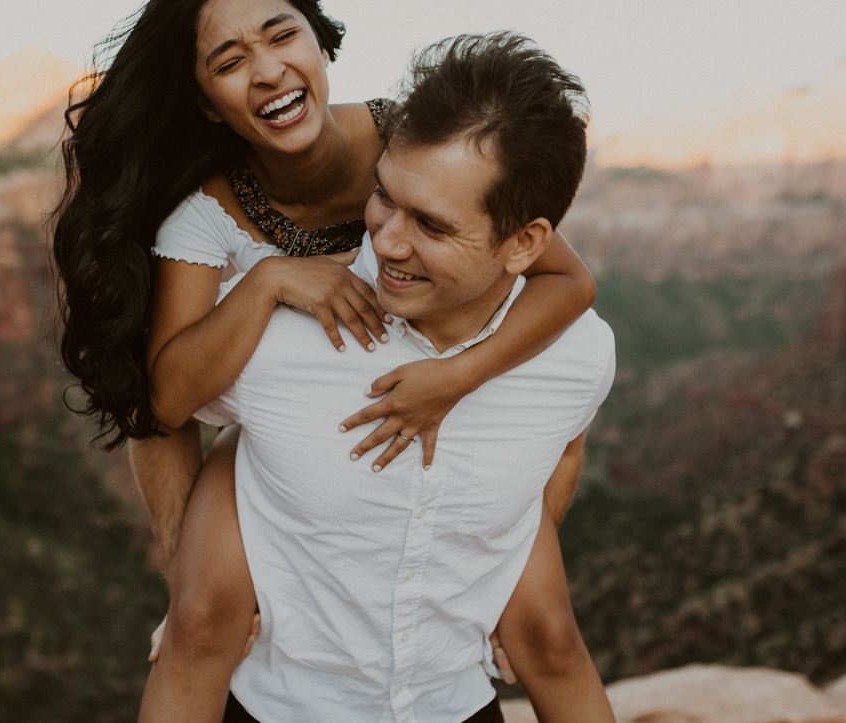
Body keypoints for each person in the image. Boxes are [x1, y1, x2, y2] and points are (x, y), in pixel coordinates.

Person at [52, 0, 597, 716]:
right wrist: (267, 282)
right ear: (207, 105)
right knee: (202, 619)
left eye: (283, 34)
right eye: (229, 60)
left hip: (439, 406)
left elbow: (571, 281)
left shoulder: (417, 144)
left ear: (322, 42)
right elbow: (166, 405)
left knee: (550, 633)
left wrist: (455, 380)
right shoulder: (206, 215)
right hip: (285, 450)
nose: (268, 70)